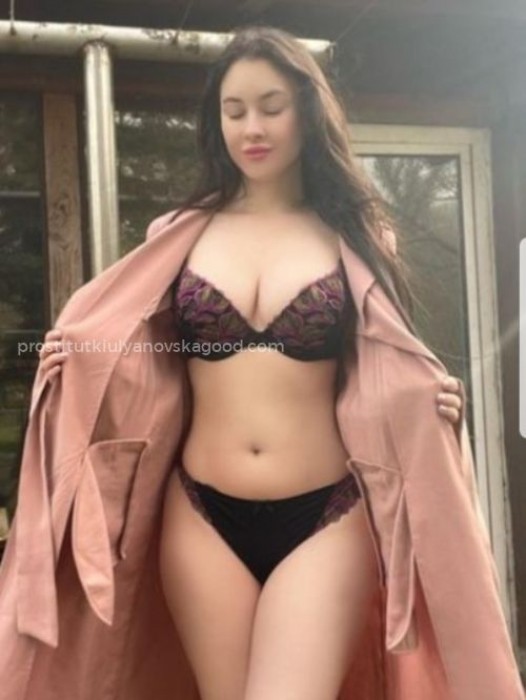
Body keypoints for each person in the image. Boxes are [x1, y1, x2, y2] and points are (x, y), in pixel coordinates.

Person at [33, 25, 471, 700]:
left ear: (306, 110)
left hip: (328, 513)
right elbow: (140, 351)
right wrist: (76, 358)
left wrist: (433, 402)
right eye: (233, 111)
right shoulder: (179, 235)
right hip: (200, 512)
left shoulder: (356, 236)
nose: (252, 128)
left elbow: (387, 363)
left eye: (271, 106)